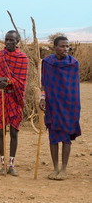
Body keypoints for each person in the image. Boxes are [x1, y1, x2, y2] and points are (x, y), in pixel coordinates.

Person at [40, 36, 81, 180]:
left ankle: (64, 169)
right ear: (54, 48)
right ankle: (55, 167)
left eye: (67, 46)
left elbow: (74, 87)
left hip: (69, 104)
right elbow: (43, 84)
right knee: (53, 136)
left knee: (66, 137)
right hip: (53, 104)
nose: (66, 49)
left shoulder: (73, 64)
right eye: (62, 46)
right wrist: (42, 98)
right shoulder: (47, 63)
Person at [0, 30, 28, 176]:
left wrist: (7, 81)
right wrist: (0, 81)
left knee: (14, 132)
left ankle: (11, 164)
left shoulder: (22, 58)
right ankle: (2, 164)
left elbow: (22, 82)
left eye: (12, 40)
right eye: (6, 40)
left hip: (14, 98)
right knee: (0, 131)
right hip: (1, 97)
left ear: (17, 41)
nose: (9, 42)